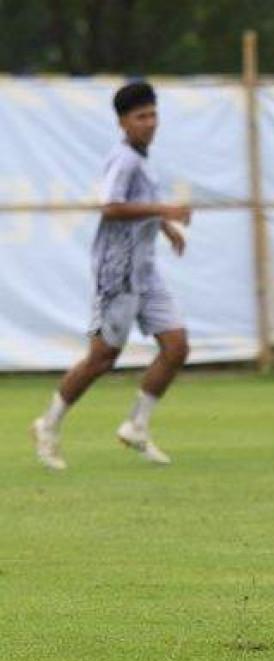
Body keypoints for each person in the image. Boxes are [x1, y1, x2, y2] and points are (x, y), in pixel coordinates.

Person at [31, 81, 190, 470]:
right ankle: (47, 425)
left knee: (176, 347)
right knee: (102, 358)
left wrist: (164, 228)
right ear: (122, 122)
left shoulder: (141, 158)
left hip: (145, 271)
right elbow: (110, 206)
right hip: (117, 274)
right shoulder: (123, 159)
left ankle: (136, 425)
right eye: (141, 117)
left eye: (153, 115)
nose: (150, 123)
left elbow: (136, 207)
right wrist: (166, 211)